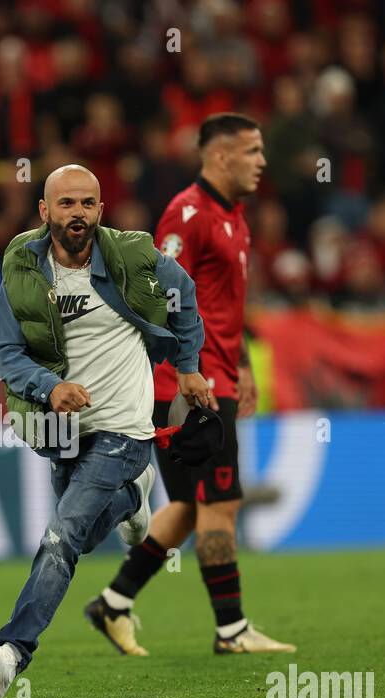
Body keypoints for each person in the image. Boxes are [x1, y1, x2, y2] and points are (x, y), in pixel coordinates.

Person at [0, 164, 210, 698]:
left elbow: (185, 291)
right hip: (63, 429)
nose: (77, 213)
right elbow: (6, 352)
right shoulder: (23, 267)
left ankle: (11, 655)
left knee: (60, 537)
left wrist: (189, 365)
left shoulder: (132, 255)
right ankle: (134, 496)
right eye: (66, 204)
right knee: (78, 535)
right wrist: (49, 387)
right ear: (44, 211)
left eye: (87, 204)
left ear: (100, 210)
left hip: (124, 426)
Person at [85, 113, 296, 656]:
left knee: (187, 506)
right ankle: (232, 631)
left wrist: (243, 362)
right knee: (220, 502)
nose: (261, 161)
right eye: (252, 151)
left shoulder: (236, 217)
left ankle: (114, 603)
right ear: (221, 155)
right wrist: (186, 371)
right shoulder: (187, 214)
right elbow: (157, 295)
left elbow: (226, 305)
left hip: (216, 377)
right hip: (186, 387)